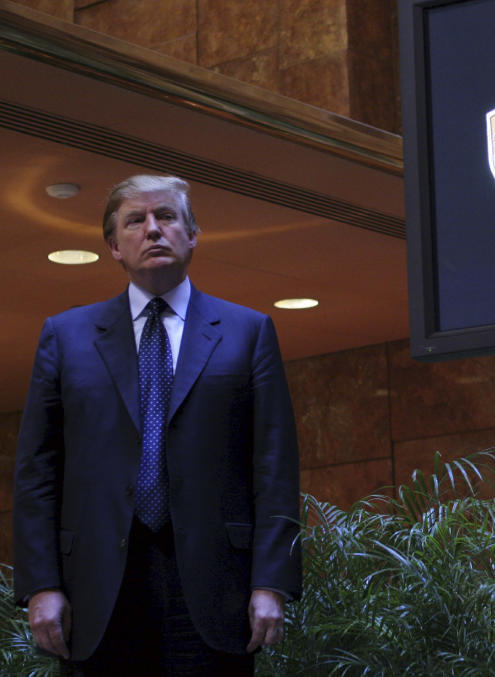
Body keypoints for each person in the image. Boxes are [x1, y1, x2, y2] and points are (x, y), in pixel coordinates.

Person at [13, 175, 302, 675]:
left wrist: (271, 582)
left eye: (166, 216)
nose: (153, 230)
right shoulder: (66, 337)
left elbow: (274, 468)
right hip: (96, 589)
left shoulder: (247, 332)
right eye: (135, 221)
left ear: (192, 235)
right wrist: (41, 585)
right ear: (113, 246)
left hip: (216, 587)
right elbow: (37, 473)